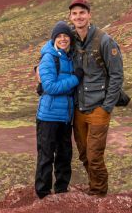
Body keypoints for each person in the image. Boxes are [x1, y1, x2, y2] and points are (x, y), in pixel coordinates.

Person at [68, 0, 123, 197]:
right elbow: (52, 51)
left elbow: (117, 75)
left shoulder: (105, 41)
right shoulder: (70, 39)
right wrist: (38, 67)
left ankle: (99, 195)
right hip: (78, 107)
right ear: (70, 17)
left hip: (98, 107)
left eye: (82, 12)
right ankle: (93, 187)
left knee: (94, 155)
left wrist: (107, 106)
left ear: (89, 15)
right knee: (84, 154)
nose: (78, 17)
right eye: (74, 14)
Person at [35, 20, 84, 199]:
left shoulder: (69, 57)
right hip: (48, 116)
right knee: (46, 155)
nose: (63, 39)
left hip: (65, 116)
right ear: (54, 39)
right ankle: (43, 194)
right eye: (59, 36)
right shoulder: (49, 57)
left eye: (66, 36)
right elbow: (50, 87)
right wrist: (75, 79)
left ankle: (62, 191)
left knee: (64, 154)